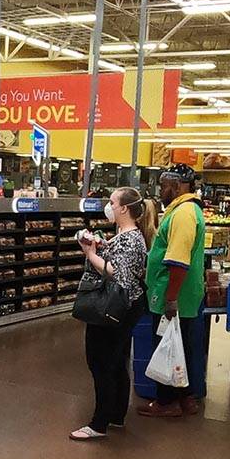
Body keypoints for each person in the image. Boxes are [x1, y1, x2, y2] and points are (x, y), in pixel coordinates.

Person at [71, 187, 153, 440]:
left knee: (101, 362)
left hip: (114, 307)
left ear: (124, 208)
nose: (109, 206)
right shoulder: (127, 235)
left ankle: (99, 423)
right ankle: (116, 415)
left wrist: (90, 254)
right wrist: (100, 245)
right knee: (117, 362)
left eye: (113, 202)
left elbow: (120, 274)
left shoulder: (130, 238)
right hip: (127, 306)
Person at [139, 164, 206, 418]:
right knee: (180, 346)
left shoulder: (184, 214)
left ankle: (167, 402)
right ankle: (186, 398)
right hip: (179, 293)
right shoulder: (184, 210)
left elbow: (178, 261)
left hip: (175, 293)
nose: (161, 189)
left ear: (177, 186)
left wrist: (170, 299)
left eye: (164, 185)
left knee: (167, 347)